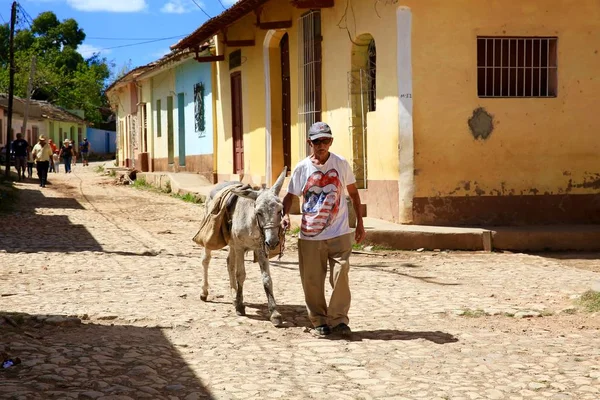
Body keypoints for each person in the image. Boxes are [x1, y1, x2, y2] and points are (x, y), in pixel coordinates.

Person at [282, 122, 366, 337]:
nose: (322, 145)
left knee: (341, 273)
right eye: (317, 141)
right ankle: (319, 320)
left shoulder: (341, 163)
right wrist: (284, 216)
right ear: (309, 142)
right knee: (312, 280)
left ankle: (338, 319)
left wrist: (359, 223)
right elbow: (290, 196)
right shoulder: (302, 168)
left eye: (326, 140)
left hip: (339, 232)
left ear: (331, 141)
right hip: (310, 236)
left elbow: (353, 194)